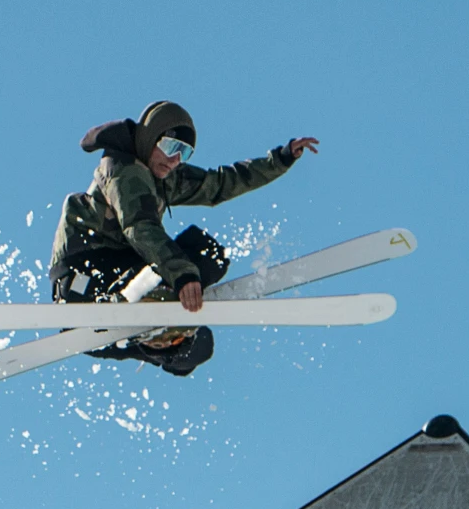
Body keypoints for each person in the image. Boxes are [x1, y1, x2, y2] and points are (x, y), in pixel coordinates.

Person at [48, 100, 317, 375]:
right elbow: (140, 226)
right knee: (198, 258)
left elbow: (220, 184)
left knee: (197, 342)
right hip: (85, 276)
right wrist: (183, 275)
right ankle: (129, 307)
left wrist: (280, 159)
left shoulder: (164, 176)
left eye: (184, 153)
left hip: (119, 279)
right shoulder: (123, 170)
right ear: (150, 139)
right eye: (170, 146)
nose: (175, 159)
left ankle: (157, 335)